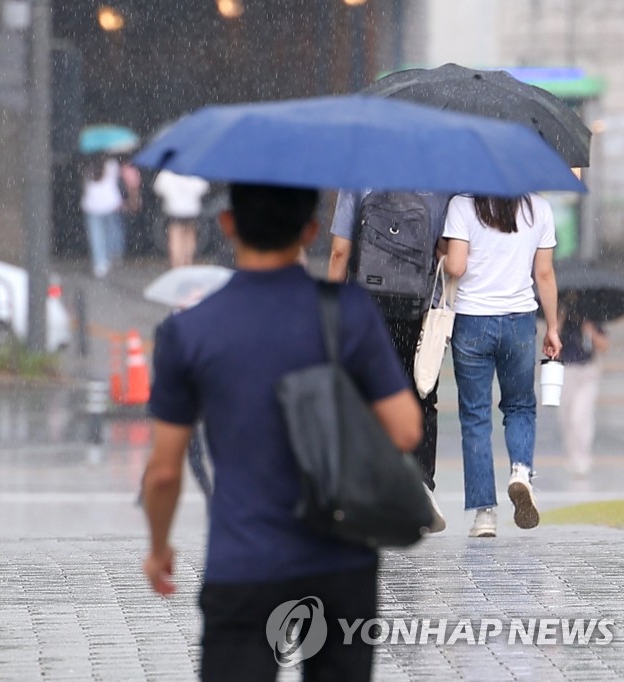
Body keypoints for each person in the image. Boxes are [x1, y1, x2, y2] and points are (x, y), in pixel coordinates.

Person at [142, 183, 421, 681]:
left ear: (227, 226)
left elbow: (164, 471)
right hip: (341, 561)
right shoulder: (347, 312)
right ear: (311, 231)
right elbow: (404, 429)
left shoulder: (189, 331)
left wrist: (159, 547)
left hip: (245, 563)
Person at [328, 189, 451, 532]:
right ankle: (421, 481)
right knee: (422, 390)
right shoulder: (439, 179)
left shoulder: (357, 175)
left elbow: (340, 251)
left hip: (367, 305)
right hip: (419, 303)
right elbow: (444, 249)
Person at [440, 193, 561, 538]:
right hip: (519, 320)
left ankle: (484, 516)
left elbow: (456, 267)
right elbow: (545, 274)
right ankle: (521, 472)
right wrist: (551, 326)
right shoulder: (538, 207)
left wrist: (443, 252)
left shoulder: (462, 204)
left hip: (472, 321)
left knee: (476, 416)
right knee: (520, 405)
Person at [558, 297, 608, 476]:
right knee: (566, 415)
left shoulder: (593, 317)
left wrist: (590, 331)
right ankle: (573, 456)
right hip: (566, 370)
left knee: (581, 414)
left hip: (587, 371)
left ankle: (583, 458)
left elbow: (604, 345)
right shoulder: (561, 317)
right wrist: (559, 320)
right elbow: (551, 344)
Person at [153, 170, 210, 269]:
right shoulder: (193, 170)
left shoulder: (168, 172)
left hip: (174, 209)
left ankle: (177, 263)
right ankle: (188, 261)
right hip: (192, 210)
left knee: (175, 236)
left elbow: (158, 188)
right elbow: (203, 187)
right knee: (190, 236)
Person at [80, 154, 125, 278]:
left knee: (96, 235)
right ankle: (113, 254)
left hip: (92, 204)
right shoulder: (112, 165)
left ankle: (100, 264)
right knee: (112, 230)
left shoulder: (87, 167)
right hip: (110, 203)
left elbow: (84, 187)